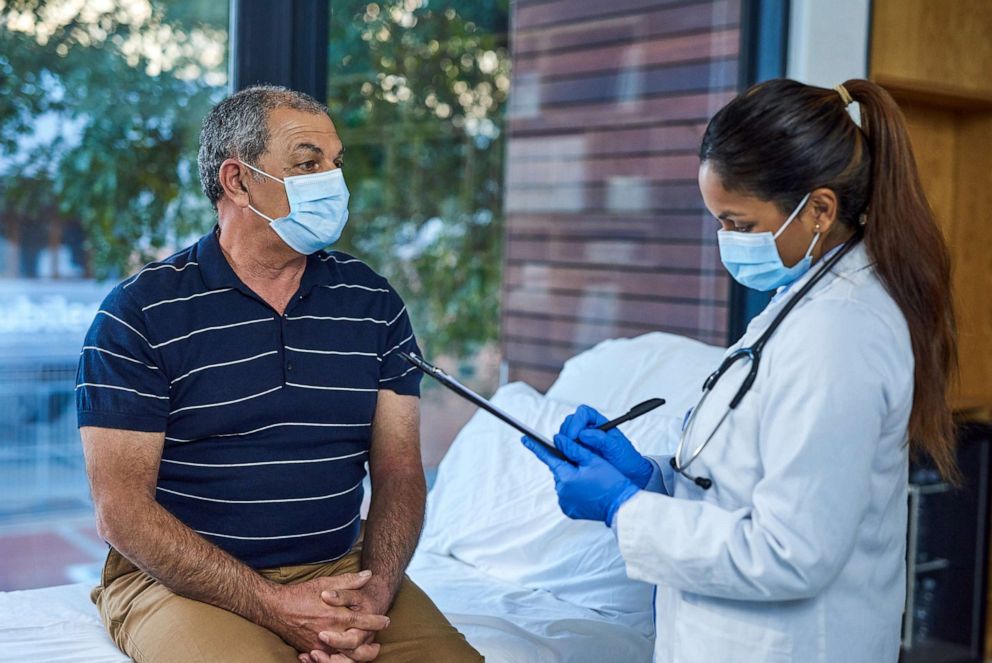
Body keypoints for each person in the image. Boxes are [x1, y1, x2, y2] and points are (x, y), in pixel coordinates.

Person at [521, 78, 958, 663]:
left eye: (740, 224)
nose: (727, 241)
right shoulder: (802, 305)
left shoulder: (839, 333)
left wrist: (624, 508)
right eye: (720, 222)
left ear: (821, 210)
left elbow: (791, 551)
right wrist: (651, 479)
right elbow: (748, 483)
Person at [77, 85, 482, 663]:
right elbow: (121, 510)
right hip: (179, 581)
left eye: (335, 163)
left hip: (343, 568)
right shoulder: (140, 313)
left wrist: (371, 600)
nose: (333, 182)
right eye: (307, 163)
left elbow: (398, 472)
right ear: (238, 181)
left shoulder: (373, 302)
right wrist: (275, 607)